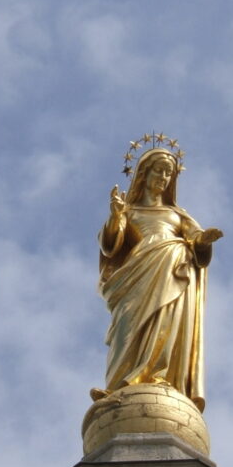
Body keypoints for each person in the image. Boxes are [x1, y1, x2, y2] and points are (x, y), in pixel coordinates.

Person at [92, 147, 223, 412]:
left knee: (167, 322)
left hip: (173, 270)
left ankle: (161, 375)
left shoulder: (178, 215)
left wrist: (203, 240)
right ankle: (117, 385)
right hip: (136, 275)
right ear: (144, 174)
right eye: (159, 171)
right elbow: (110, 247)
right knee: (127, 327)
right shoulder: (130, 212)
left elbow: (195, 238)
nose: (163, 177)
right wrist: (116, 215)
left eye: (169, 173)